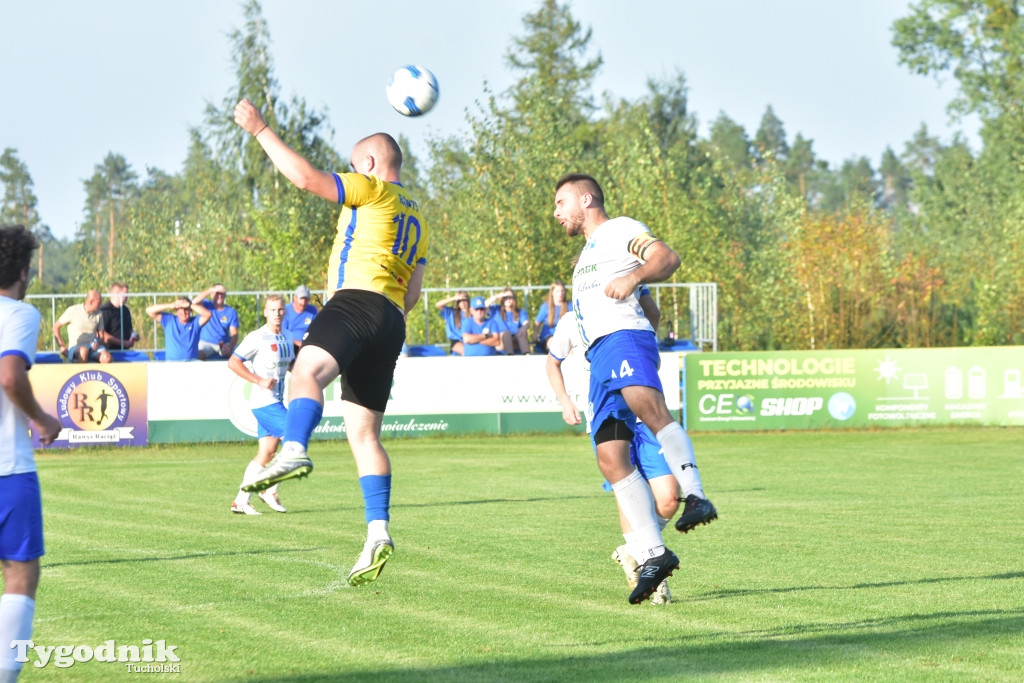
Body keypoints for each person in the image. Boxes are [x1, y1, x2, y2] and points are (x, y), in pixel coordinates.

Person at [233, 98, 428, 587]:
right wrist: (383, 323)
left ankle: (294, 447)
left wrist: (259, 130)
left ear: (367, 165)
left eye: (351, 166)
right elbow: (414, 293)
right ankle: (377, 531)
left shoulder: (372, 188)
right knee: (364, 435)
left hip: (355, 301)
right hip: (391, 319)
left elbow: (304, 178)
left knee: (306, 374)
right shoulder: (418, 218)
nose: (348, 175)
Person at [553, 172, 717, 604]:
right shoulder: (587, 254)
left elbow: (666, 257)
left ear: (585, 199)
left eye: (561, 203)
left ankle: (696, 495)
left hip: (625, 338)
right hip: (598, 359)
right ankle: (652, 553)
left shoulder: (618, 229)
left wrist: (634, 279)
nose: (557, 214)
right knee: (610, 456)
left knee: (650, 408)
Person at [546, 291, 680, 605]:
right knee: (630, 496)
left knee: (670, 498)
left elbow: (655, 317)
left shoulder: (629, 308)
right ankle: (653, 572)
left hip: (645, 409)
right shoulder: (571, 320)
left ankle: (632, 550)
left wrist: (638, 285)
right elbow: (552, 363)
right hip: (608, 415)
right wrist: (565, 401)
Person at [0, 225, 61, 682]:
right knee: (20, 573)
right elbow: (9, 376)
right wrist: (41, 418)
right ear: (23, 272)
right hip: (7, 468)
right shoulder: (18, 314)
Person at [228, 295, 295, 515]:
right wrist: (258, 380)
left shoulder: (287, 336)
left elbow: (293, 365)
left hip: (275, 400)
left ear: (285, 312)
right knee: (295, 443)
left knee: (266, 452)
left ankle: (240, 500)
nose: (277, 313)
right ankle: (268, 489)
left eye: (280, 310)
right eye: (272, 310)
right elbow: (233, 362)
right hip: (264, 402)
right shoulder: (257, 337)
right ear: (265, 313)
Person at [51, 289, 111, 363]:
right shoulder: (73, 310)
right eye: (99, 303)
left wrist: (98, 343)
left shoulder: (99, 314)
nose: (101, 305)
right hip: (76, 347)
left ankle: (101, 374)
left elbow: (101, 336)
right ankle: (81, 373)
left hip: (93, 348)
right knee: (84, 351)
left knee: (107, 357)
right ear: (91, 302)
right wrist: (61, 346)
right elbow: (55, 327)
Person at [145, 298, 212, 361]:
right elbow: (149, 310)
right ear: (176, 310)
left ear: (190, 310)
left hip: (191, 364)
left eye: (186, 309)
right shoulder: (169, 320)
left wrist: (190, 305)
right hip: (172, 364)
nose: (183, 312)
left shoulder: (195, 322)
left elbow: (208, 314)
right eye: (180, 309)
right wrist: (170, 305)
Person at [194, 284, 240, 360]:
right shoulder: (206, 305)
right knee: (197, 355)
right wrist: (210, 290)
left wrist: (230, 347)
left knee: (241, 354)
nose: (219, 296)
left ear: (225, 295)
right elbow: (194, 302)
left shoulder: (231, 311)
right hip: (206, 343)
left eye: (221, 293)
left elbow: (234, 333)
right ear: (211, 295)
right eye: (217, 293)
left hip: (224, 343)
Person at [97, 282, 139, 351]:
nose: (127, 297)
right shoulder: (105, 311)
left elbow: (129, 329)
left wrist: (134, 336)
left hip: (125, 351)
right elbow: (102, 334)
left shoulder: (126, 310)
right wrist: (123, 343)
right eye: (125, 294)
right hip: (110, 351)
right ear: (116, 294)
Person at [488, 288, 531, 355]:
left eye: (510, 297)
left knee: (523, 331)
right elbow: (483, 306)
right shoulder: (496, 310)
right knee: (506, 334)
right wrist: (497, 296)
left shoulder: (519, 312)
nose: (508, 299)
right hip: (501, 341)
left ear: (514, 299)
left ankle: (526, 354)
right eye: (505, 297)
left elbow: (526, 323)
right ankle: (509, 355)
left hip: (515, 340)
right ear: (502, 298)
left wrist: (524, 328)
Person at [534, 280, 571, 354]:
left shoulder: (570, 306)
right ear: (552, 293)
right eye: (557, 291)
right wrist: (535, 334)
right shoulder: (545, 307)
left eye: (562, 291)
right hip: (549, 336)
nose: (560, 294)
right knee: (553, 343)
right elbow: (537, 322)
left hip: (565, 336)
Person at [283, 285, 319, 354]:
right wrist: (299, 344)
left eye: (306, 299)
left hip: (309, 345)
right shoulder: (286, 311)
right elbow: (283, 333)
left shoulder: (313, 310)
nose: (303, 302)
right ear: (295, 298)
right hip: (291, 346)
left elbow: (316, 330)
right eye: (301, 299)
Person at [434, 290, 471, 355]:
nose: (462, 302)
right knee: (467, 352)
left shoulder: (474, 312)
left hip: (470, 339)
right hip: (456, 341)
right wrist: (453, 298)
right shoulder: (451, 313)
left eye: (464, 299)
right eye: (459, 301)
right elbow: (438, 305)